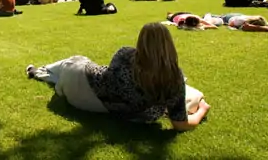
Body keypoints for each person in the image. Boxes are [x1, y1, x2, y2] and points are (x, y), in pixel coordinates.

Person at [26, 23, 210, 131]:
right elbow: (181, 124)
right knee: (71, 68)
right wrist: (202, 109)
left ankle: (39, 72)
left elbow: (109, 80)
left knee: (74, 62)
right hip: (95, 103)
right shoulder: (173, 78)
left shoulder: (126, 54)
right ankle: (42, 73)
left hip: (81, 88)